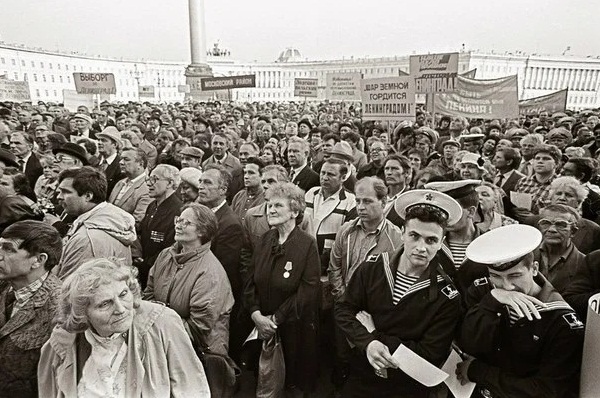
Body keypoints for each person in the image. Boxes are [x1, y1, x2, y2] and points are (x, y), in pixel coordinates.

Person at [335, 188, 463, 397]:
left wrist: (375, 334)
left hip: (406, 387)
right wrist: (367, 343)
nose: (421, 247)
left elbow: (430, 355)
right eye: (414, 236)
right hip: (361, 376)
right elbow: (344, 309)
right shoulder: (372, 268)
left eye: (431, 240)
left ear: (441, 242)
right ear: (402, 232)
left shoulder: (446, 295)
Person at [38, 258, 211, 397]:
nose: (121, 309)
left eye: (123, 294)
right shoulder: (61, 344)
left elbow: (193, 390)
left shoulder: (162, 322)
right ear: (83, 313)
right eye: (105, 303)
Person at [457, 224, 584, 398]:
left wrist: (480, 372)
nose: (507, 286)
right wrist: (491, 303)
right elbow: (467, 342)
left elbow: (547, 390)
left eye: (515, 276)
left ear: (534, 269)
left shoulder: (560, 319)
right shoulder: (482, 291)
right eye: (496, 276)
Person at [144, 203, 236, 397]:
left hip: (198, 351)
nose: (179, 225)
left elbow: (199, 326)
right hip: (164, 342)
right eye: (179, 220)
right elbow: (149, 294)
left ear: (202, 231)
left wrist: (157, 328)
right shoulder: (165, 256)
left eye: (187, 222)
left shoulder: (210, 272)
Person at [243, 182, 321, 395]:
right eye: (269, 205)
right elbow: (250, 280)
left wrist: (276, 319)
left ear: (294, 211)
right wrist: (256, 314)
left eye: (278, 205)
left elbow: (308, 290)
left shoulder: (306, 244)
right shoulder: (266, 239)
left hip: (292, 331)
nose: (271, 210)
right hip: (260, 326)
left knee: (290, 384)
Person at [327, 176, 403, 392]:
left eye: (368, 201)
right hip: (344, 305)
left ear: (383, 201)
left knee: (366, 358)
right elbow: (334, 267)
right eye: (358, 201)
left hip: (374, 312)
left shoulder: (396, 238)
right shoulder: (347, 230)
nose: (361, 207)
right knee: (342, 352)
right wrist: (343, 299)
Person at [0, 221, 63, 397]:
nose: (0, 255)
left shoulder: (60, 307)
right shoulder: (5, 285)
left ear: (38, 260)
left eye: (8, 249)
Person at [54, 167, 137, 280]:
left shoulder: (87, 238)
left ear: (88, 196)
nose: (59, 197)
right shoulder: (109, 218)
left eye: (66, 192)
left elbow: (69, 286)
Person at [304, 159, 357, 273]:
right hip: (303, 256)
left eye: (330, 174)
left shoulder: (350, 201)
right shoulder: (311, 193)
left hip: (328, 263)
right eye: (323, 173)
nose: (324, 177)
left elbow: (348, 237)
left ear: (343, 178)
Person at [137, 164, 182, 288]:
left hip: (160, 273)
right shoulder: (152, 206)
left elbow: (172, 248)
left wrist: (146, 264)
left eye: (154, 179)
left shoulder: (178, 211)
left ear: (169, 183)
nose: (149, 184)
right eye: (149, 179)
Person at [534, 204, 585, 293]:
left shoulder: (584, 264)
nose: (552, 229)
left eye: (561, 225)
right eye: (545, 223)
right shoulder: (527, 255)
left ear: (573, 232)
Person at [108, 148, 151, 230]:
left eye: (126, 159)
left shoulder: (147, 188)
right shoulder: (120, 183)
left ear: (140, 164)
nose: (121, 162)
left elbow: (137, 222)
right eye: (121, 159)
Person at [231, 157, 265, 221]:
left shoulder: (266, 198)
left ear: (262, 175)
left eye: (251, 173)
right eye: (245, 173)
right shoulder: (239, 196)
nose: (246, 176)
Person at [96, 126, 126, 197]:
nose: (99, 143)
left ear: (114, 145)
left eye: (104, 140)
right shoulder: (94, 163)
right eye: (99, 140)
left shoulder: (121, 165)